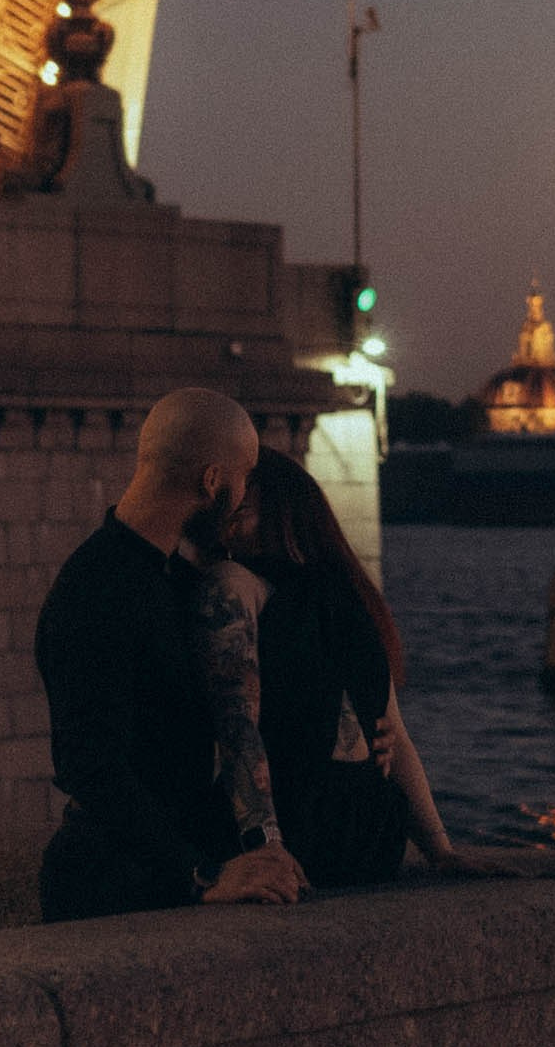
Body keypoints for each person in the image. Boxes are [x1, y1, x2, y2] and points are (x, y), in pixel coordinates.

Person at [34, 389, 309, 920]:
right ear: (211, 481)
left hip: (153, 882)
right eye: (244, 476)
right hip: (110, 894)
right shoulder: (95, 588)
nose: (245, 491)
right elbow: (90, 766)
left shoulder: (169, 579)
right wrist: (202, 873)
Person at [194, 447, 507, 887]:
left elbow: (391, 731)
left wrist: (442, 851)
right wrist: (265, 844)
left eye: (246, 490)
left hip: (332, 832)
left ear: (280, 497)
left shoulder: (325, 592)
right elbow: (236, 727)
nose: (228, 501)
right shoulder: (261, 584)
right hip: (352, 835)